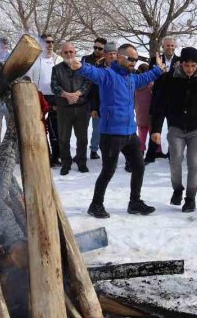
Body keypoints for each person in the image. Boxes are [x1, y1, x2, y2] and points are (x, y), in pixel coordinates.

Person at [69, 43, 165, 218]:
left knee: (139, 167)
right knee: (108, 170)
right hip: (111, 133)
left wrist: (158, 70)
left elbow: (145, 78)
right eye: (130, 59)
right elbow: (93, 73)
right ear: (119, 57)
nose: (133, 63)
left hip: (130, 133)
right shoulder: (108, 75)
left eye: (135, 60)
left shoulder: (131, 77)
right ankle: (95, 204)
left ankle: (134, 202)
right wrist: (80, 67)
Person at [150, 46, 197, 212]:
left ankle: (190, 198)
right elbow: (159, 104)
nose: (190, 69)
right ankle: (177, 189)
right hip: (176, 126)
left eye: (193, 66)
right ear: (180, 64)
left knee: (194, 164)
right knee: (175, 160)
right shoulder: (170, 78)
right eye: (187, 66)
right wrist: (156, 129)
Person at [51, 42, 93, 175]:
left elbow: (88, 83)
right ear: (61, 54)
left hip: (81, 108)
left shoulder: (83, 67)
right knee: (63, 138)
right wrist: (66, 95)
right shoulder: (56, 69)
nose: (69, 54)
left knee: (82, 138)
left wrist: (77, 94)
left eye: (71, 52)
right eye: (66, 52)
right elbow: (54, 86)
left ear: (75, 52)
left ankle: (81, 162)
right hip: (64, 109)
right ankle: (66, 163)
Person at [144, 36, 179, 163]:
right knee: (155, 127)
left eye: (172, 45)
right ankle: (151, 155)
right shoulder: (154, 60)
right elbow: (152, 78)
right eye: (167, 45)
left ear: (175, 47)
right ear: (163, 47)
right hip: (159, 98)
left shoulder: (180, 61)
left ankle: (172, 154)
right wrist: (160, 70)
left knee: (174, 129)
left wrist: (165, 73)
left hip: (174, 100)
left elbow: (178, 79)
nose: (170, 47)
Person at [27, 34, 59, 165]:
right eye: (47, 42)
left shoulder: (59, 59)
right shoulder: (34, 61)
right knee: (40, 128)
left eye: (52, 42)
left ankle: (55, 156)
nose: (50, 44)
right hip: (39, 97)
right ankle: (44, 155)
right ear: (41, 43)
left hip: (56, 98)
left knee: (55, 129)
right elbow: (29, 80)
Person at [83, 38, 110, 160]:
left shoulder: (106, 62)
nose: (97, 50)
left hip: (98, 98)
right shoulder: (86, 60)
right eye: (95, 47)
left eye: (100, 48)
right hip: (84, 98)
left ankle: (94, 149)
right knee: (82, 128)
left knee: (97, 128)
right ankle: (81, 152)